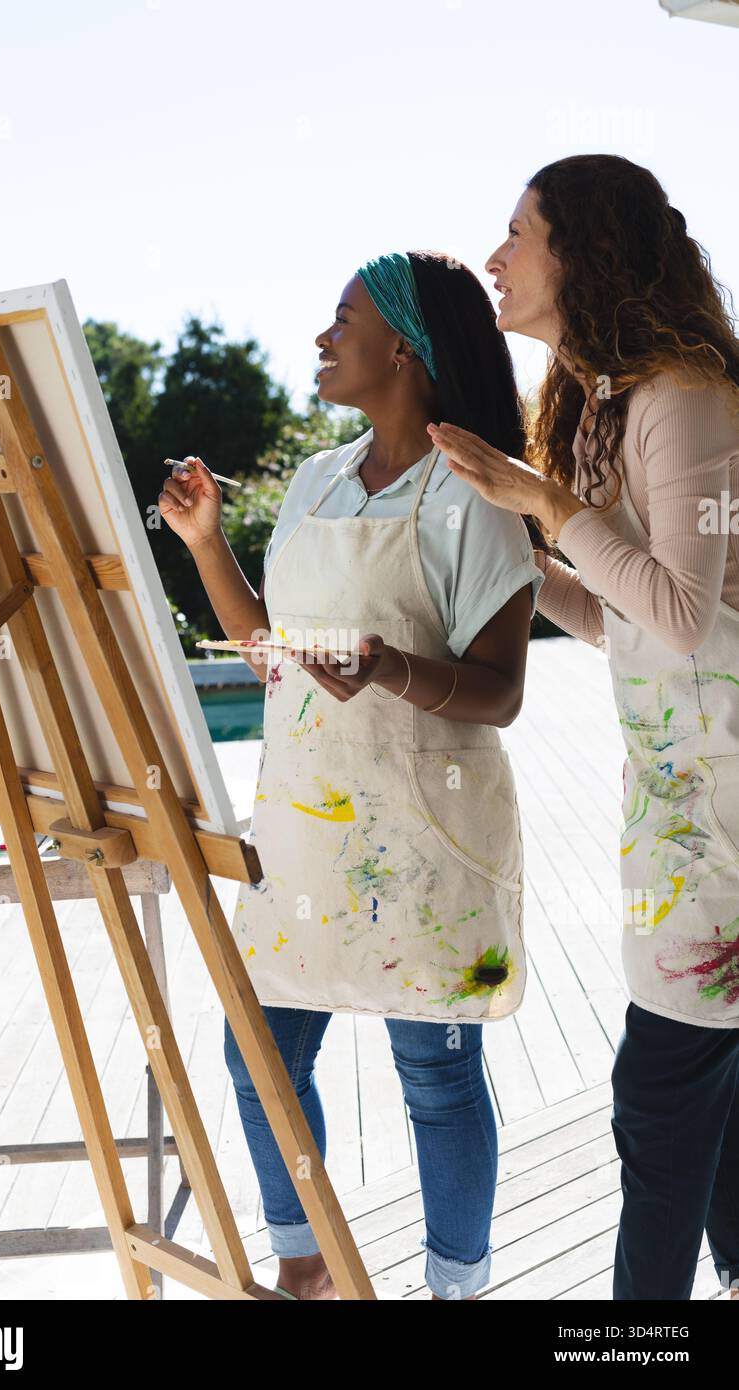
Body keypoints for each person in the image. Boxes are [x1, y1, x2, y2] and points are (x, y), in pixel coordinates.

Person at [158, 249, 545, 1300]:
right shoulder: (318, 478)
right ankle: (308, 1266)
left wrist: (387, 667)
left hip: (429, 831)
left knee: (436, 1076)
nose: (323, 337)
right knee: (260, 1060)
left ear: (407, 350)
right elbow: (269, 651)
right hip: (306, 830)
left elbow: (502, 688)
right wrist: (204, 543)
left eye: (344, 319)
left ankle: (455, 1289)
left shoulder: (474, 491)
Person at [429, 154, 739, 1302]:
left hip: (725, 813)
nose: (499, 256)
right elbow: (623, 625)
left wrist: (548, 507)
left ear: (586, 250)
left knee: (657, 1102)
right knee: (700, 1091)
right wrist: (520, 547)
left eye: (520, 233)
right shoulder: (609, 404)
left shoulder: (686, 394)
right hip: (679, 810)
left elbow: (684, 612)